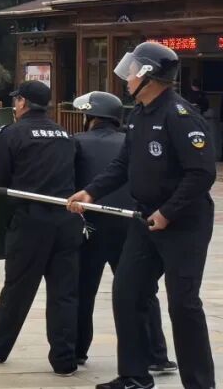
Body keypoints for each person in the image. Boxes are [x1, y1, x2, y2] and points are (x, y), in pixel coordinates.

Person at [68, 41, 217, 389]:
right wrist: (91, 191)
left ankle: (200, 384)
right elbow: (124, 164)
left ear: (149, 75)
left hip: (184, 223)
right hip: (144, 220)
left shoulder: (180, 116)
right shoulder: (139, 115)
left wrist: (168, 212)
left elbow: (202, 173)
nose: (128, 76)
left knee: (183, 304)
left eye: (133, 70)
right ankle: (134, 376)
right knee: (127, 293)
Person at [0, 80, 82, 377]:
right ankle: (64, 360)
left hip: (31, 223)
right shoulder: (65, 134)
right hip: (67, 222)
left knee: (17, 290)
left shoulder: (12, 134)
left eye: (16, 100)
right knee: (64, 293)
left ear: (22, 103)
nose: (14, 105)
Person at [70, 91, 174, 374]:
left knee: (83, 290)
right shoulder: (133, 142)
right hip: (131, 226)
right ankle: (156, 355)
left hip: (91, 226)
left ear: (92, 118)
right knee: (142, 291)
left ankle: (77, 350)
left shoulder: (77, 142)